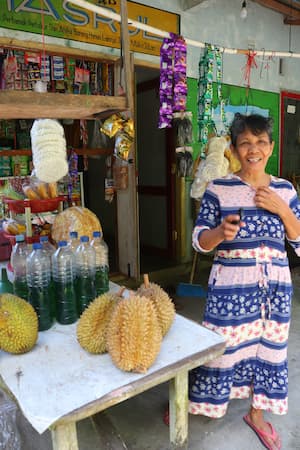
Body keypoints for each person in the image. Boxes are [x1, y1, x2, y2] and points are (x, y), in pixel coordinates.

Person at [188, 113, 300, 450]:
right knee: (219, 352)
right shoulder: (219, 188)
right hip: (230, 289)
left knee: (269, 351)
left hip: (274, 290)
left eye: (261, 142)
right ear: (235, 150)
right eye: (245, 143)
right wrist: (220, 233)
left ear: (271, 147)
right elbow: (198, 241)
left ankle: (257, 414)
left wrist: (282, 209)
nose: (254, 149)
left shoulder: (285, 190)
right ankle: (198, 403)